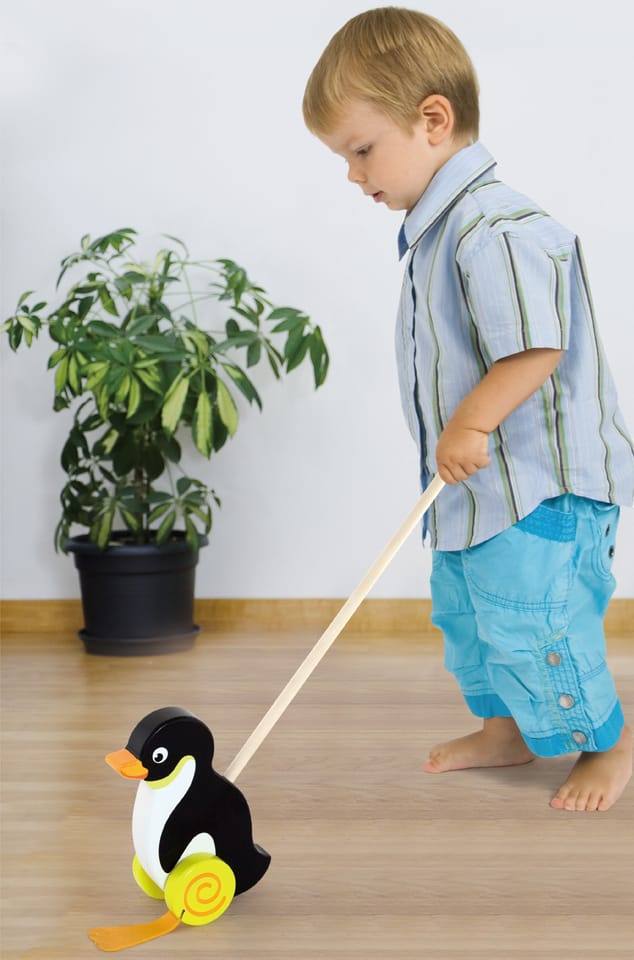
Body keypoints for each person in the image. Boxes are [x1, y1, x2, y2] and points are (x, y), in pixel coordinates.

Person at [303, 7, 634, 811]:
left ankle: (609, 744)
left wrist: (474, 422)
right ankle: (506, 731)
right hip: (478, 493)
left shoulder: (494, 229)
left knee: (536, 621)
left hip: (539, 491)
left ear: (432, 120)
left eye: (361, 150)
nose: (353, 175)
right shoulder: (439, 233)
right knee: (472, 619)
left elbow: (537, 346)